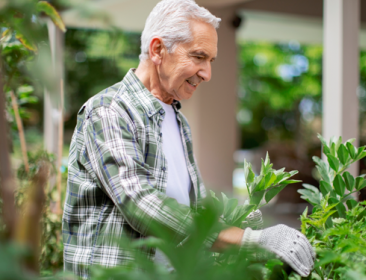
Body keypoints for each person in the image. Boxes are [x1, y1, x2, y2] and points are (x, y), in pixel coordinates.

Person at [62, 0, 315, 278]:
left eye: (210, 61)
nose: (207, 74)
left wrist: (247, 225)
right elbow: (139, 202)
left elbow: (193, 209)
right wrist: (247, 240)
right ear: (158, 50)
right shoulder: (109, 111)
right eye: (198, 57)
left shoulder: (178, 120)